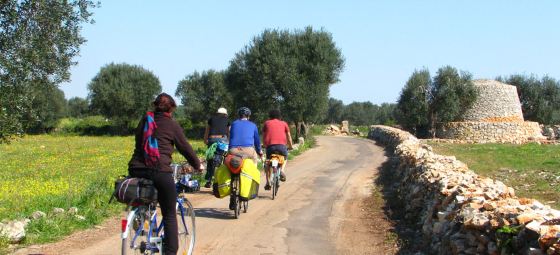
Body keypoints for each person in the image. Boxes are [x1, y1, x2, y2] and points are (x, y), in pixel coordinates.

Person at [128, 93, 202, 255]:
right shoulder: (172, 125)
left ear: (155, 106)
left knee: (148, 198)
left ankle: (143, 217)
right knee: (169, 213)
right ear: (171, 109)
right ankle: (170, 252)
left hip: (136, 169)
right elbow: (185, 148)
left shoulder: (145, 120)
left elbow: (139, 143)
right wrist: (197, 165)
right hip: (159, 170)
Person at [262, 109, 293, 190]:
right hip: (282, 147)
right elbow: (289, 136)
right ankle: (282, 170)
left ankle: (268, 182)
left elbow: (264, 136)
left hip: (270, 147)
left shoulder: (267, 123)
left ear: (270, 116)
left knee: (268, 162)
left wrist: (264, 144)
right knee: (285, 158)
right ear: (280, 116)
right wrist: (290, 146)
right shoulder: (284, 123)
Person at [203, 107, 230, 188]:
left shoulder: (211, 119)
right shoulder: (227, 120)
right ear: (225, 114)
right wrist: (229, 142)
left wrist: (205, 140)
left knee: (210, 158)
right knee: (224, 158)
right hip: (223, 139)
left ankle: (208, 180)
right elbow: (229, 132)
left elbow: (207, 131)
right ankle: (222, 179)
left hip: (212, 139)